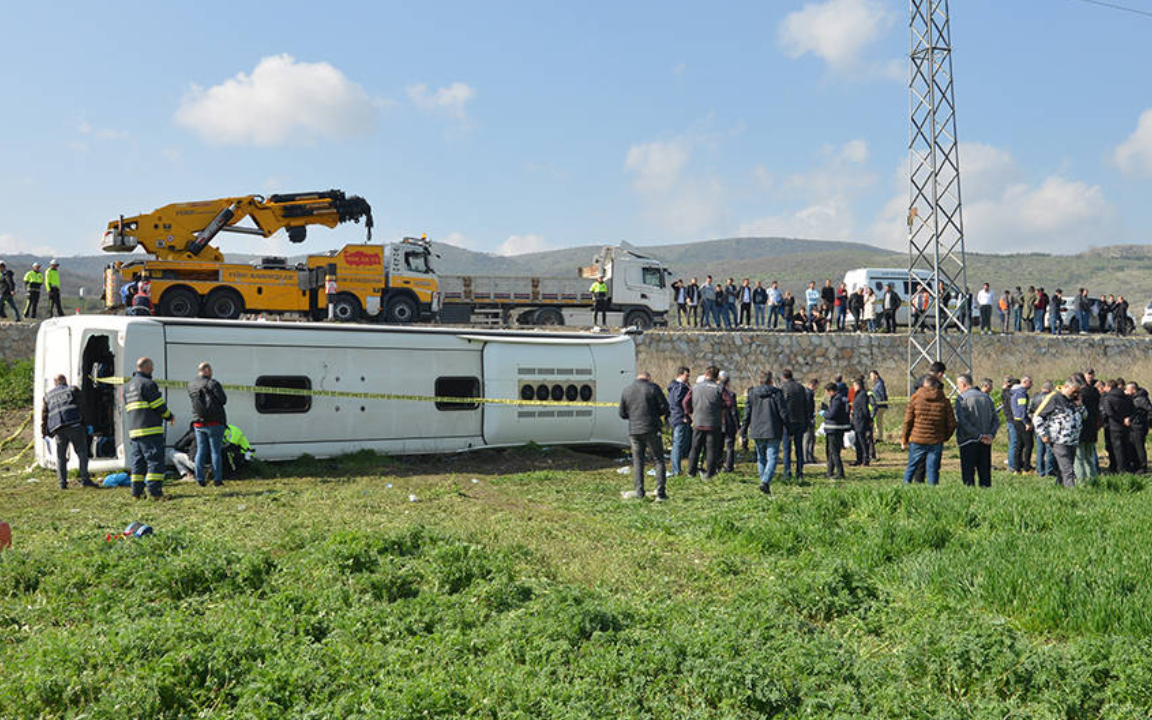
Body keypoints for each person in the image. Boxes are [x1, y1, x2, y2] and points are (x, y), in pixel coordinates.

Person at [125, 357, 175, 500]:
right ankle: (155, 492)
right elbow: (158, 405)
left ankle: (137, 493)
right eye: (151, 367)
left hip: (135, 432)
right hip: (150, 430)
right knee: (154, 461)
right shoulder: (148, 384)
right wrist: (169, 416)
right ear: (146, 367)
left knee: (138, 463)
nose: (153, 369)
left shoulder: (128, 386)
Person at [618, 371, 669, 501]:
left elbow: (622, 414)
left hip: (634, 430)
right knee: (658, 460)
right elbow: (664, 408)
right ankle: (661, 493)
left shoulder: (626, 390)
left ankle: (639, 492)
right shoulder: (653, 388)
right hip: (651, 429)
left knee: (638, 461)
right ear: (649, 378)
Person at [40, 374, 95, 489]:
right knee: (82, 452)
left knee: (61, 456)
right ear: (65, 381)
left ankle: (62, 483)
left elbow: (45, 415)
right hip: (74, 425)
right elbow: (83, 407)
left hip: (58, 429)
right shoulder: (73, 390)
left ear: (55, 383)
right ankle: (84, 479)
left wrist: (44, 433)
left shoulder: (48, 396)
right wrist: (88, 423)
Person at [901, 375, 956, 485]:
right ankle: (932, 493)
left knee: (911, 467)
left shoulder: (915, 398)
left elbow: (908, 421)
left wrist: (904, 438)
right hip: (936, 440)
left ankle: (904, 488)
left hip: (917, 439)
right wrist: (945, 436)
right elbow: (952, 423)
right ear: (936, 385)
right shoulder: (944, 401)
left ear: (924, 385)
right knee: (933, 469)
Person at [1033, 377, 1086, 488]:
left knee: (1065, 469)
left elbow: (1085, 416)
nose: (1076, 393)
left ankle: (1060, 489)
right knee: (1068, 469)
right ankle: (1073, 493)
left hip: (1073, 440)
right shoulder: (1053, 398)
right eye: (1074, 391)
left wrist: (1080, 405)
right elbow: (1037, 416)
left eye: (1078, 392)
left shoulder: (1074, 400)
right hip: (1058, 440)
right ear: (1066, 387)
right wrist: (1043, 434)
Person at [741, 371, 788, 494]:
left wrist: (743, 431)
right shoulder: (777, 393)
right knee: (772, 458)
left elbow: (747, 414)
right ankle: (765, 482)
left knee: (761, 458)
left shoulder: (752, 393)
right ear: (771, 380)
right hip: (773, 429)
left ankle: (763, 482)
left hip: (757, 430)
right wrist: (789, 429)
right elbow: (783, 413)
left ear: (760, 380)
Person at [954, 373, 998, 487]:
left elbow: (962, 421)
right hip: (986, 441)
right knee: (985, 473)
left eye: (958, 385)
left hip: (968, 440)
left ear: (963, 384)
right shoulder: (987, 397)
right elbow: (995, 420)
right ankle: (986, 497)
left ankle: (970, 497)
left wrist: (978, 435)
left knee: (968, 473)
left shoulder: (962, 398)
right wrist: (990, 435)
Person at [189, 361, 228, 487]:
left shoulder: (191, 385)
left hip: (198, 423)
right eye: (210, 369)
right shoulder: (213, 383)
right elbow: (223, 400)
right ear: (206, 370)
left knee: (201, 451)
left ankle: (199, 479)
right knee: (215, 452)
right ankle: (217, 479)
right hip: (215, 422)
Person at [684, 366, 726, 481]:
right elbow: (729, 402)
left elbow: (685, 402)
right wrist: (720, 408)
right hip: (713, 422)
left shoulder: (695, 387)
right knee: (711, 448)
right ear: (717, 376)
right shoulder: (719, 388)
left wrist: (691, 414)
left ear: (705, 374)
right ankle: (710, 473)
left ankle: (691, 471)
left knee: (695, 447)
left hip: (698, 421)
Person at [779, 368, 809, 480]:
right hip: (800, 420)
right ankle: (799, 472)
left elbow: (782, 407)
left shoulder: (782, 388)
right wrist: (806, 422)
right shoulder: (801, 388)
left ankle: (787, 472)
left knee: (787, 449)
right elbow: (806, 405)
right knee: (799, 448)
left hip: (788, 421)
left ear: (783, 377)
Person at [1102, 378, 1135, 473]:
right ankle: (1128, 467)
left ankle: (1120, 469)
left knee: (1118, 449)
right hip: (1126, 426)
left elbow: (1109, 413)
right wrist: (1128, 418)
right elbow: (1133, 410)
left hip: (1115, 427)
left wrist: (1120, 420)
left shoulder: (1108, 398)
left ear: (1109, 387)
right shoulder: (1127, 397)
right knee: (1126, 447)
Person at [1075, 372, 1101, 484]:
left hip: (1080, 428)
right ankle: (1093, 480)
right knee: (1089, 457)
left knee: (1078, 458)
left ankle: (1081, 482)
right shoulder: (1095, 391)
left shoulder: (1079, 394)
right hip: (1092, 427)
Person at [666, 366, 692, 477]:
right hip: (680, 418)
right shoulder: (680, 388)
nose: (688, 378)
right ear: (680, 375)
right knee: (678, 443)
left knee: (681, 442)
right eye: (686, 375)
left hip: (675, 417)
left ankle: (677, 467)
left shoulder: (674, 387)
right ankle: (676, 470)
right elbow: (678, 403)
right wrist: (684, 415)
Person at [822, 382, 850, 479]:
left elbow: (832, 414)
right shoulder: (837, 399)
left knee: (834, 451)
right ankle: (829, 471)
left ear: (830, 391)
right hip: (834, 428)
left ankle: (840, 472)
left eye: (826, 392)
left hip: (835, 429)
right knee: (831, 451)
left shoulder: (837, 400)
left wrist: (824, 413)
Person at [1029, 380, 1056, 477]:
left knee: (1040, 450)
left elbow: (1030, 410)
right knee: (1050, 450)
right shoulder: (1051, 398)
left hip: (1038, 425)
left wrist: (1033, 421)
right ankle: (1049, 470)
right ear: (1050, 389)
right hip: (1049, 425)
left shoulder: (1035, 397)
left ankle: (1040, 471)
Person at [1008, 376, 1034, 474]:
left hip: (1016, 420)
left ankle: (1017, 468)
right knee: (1028, 445)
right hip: (1022, 421)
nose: (1032, 385)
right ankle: (1026, 468)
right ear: (1025, 382)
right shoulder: (1021, 393)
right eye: (1030, 382)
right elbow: (1022, 409)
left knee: (1019, 445)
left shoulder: (1014, 392)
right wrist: (1026, 422)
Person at [1127, 382, 1150, 474]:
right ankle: (1136, 465)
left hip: (1139, 426)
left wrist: (1144, 421)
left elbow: (1149, 410)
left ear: (1133, 390)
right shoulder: (1134, 398)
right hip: (1134, 425)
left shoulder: (1141, 399)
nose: (1126, 391)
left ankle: (1142, 466)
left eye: (1128, 389)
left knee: (1139, 446)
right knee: (1134, 445)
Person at [719, 371, 739, 472]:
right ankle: (729, 466)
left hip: (718, 422)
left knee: (719, 445)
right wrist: (737, 425)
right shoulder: (731, 395)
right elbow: (734, 411)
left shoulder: (715, 393)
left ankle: (718, 464)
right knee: (730, 446)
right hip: (729, 422)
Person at [850, 377, 873, 467]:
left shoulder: (863, 395)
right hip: (856, 421)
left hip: (861, 421)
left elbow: (865, 409)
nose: (854, 387)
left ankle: (865, 459)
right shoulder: (858, 394)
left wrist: (868, 420)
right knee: (857, 441)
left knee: (862, 441)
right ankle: (858, 459)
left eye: (855, 385)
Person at [870, 370, 889, 444]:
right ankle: (879, 437)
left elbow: (882, 395)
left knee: (879, 422)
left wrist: (878, 403)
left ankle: (879, 437)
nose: (871, 378)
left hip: (880, 406)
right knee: (878, 422)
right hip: (878, 405)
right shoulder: (877, 384)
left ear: (876, 375)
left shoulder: (879, 384)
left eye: (871, 376)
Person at [804, 378, 820, 464]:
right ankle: (806, 457)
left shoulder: (807, 393)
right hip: (808, 419)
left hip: (808, 418)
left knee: (811, 439)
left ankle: (809, 456)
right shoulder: (808, 393)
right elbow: (809, 408)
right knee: (808, 439)